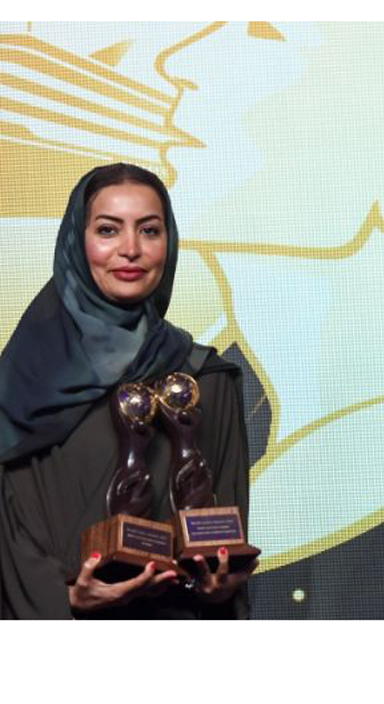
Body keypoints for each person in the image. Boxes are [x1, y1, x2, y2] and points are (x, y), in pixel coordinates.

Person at [0, 163, 255, 619]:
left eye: (150, 230)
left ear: (169, 244)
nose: (131, 249)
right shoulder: (21, 381)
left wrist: (218, 586)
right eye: (108, 230)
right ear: (76, 243)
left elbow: (222, 541)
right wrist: (65, 598)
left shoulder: (206, 380)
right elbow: (9, 532)